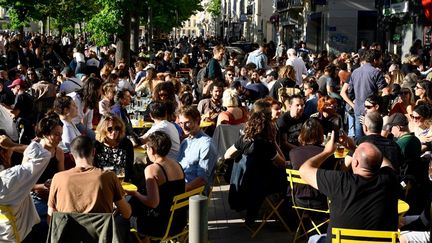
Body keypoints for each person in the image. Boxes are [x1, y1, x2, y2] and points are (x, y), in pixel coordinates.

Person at [300, 133, 400, 243]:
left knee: (313, 239)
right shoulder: (390, 180)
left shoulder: (340, 181)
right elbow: (386, 164)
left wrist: (327, 151)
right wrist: (355, 149)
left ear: (355, 162)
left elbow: (304, 170)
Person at [224, 110, 286, 227]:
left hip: (244, 183)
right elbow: (282, 162)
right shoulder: (267, 145)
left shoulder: (244, 140)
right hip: (263, 185)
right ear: (268, 127)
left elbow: (227, 155)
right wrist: (274, 143)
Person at [47, 136, 131, 218]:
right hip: (100, 231)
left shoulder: (58, 178)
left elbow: (50, 217)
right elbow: (126, 213)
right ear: (94, 152)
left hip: (68, 231)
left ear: (71, 157)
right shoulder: (108, 176)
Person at [127, 131, 186, 242]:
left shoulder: (152, 169)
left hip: (162, 226)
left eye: (147, 148)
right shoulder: (177, 164)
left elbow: (153, 202)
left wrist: (135, 193)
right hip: (179, 221)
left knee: (126, 216)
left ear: (152, 150)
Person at [0, 138, 51, 242]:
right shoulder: (9, 178)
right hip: (16, 237)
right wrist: (12, 144)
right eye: (11, 151)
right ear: (3, 152)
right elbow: (44, 155)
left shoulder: (9, 178)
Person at [289, 118, 334, 209]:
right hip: (322, 201)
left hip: (298, 200)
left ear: (302, 134)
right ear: (321, 134)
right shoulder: (326, 154)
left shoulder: (293, 152)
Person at [347, 49, 387, 140]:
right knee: (372, 138)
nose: (380, 61)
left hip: (359, 108)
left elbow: (350, 92)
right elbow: (385, 91)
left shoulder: (355, 72)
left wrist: (354, 104)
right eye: (379, 59)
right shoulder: (376, 72)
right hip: (372, 110)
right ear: (374, 60)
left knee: (359, 138)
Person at [177, 106, 217, 194]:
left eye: (187, 123)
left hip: (193, 194)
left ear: (197, 121)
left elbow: (202, 179)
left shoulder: (206, 144)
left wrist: (182, 189)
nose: (183, 127)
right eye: (180, 123)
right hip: (181, 186)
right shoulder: (185, 141)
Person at [93, 113, 134, 182]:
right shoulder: (97, 145)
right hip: (103, 182)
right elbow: (94, 169)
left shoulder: (126, 144)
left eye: (117, 128)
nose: (114, 132)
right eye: (110, 129)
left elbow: (129, 168)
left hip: (122, 182)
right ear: (103, 130)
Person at [53, 93, 81, 169]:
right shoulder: (65, 128)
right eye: (74, 105)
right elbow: (73, 150)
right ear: (66, 110)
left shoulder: (69, 122)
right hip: (69, 164)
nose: (77, 107)